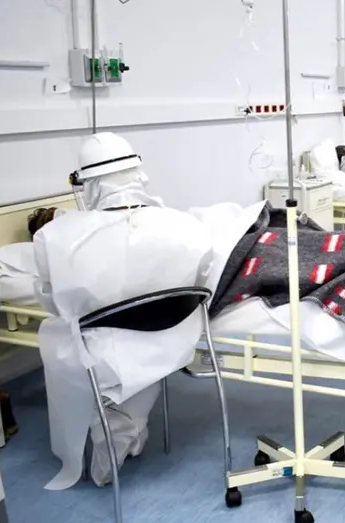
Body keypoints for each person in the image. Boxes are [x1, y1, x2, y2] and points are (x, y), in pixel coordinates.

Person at [33, 132, 215, 489]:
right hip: (173, 341)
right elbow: (203, 282)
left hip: (104, 347)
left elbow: (52, 303)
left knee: (60, 338)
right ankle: (124, 426)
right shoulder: (186, 226)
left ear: (86, 183)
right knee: (127, 348)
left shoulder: (55, 238)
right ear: (137, 172)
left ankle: (116, 426)